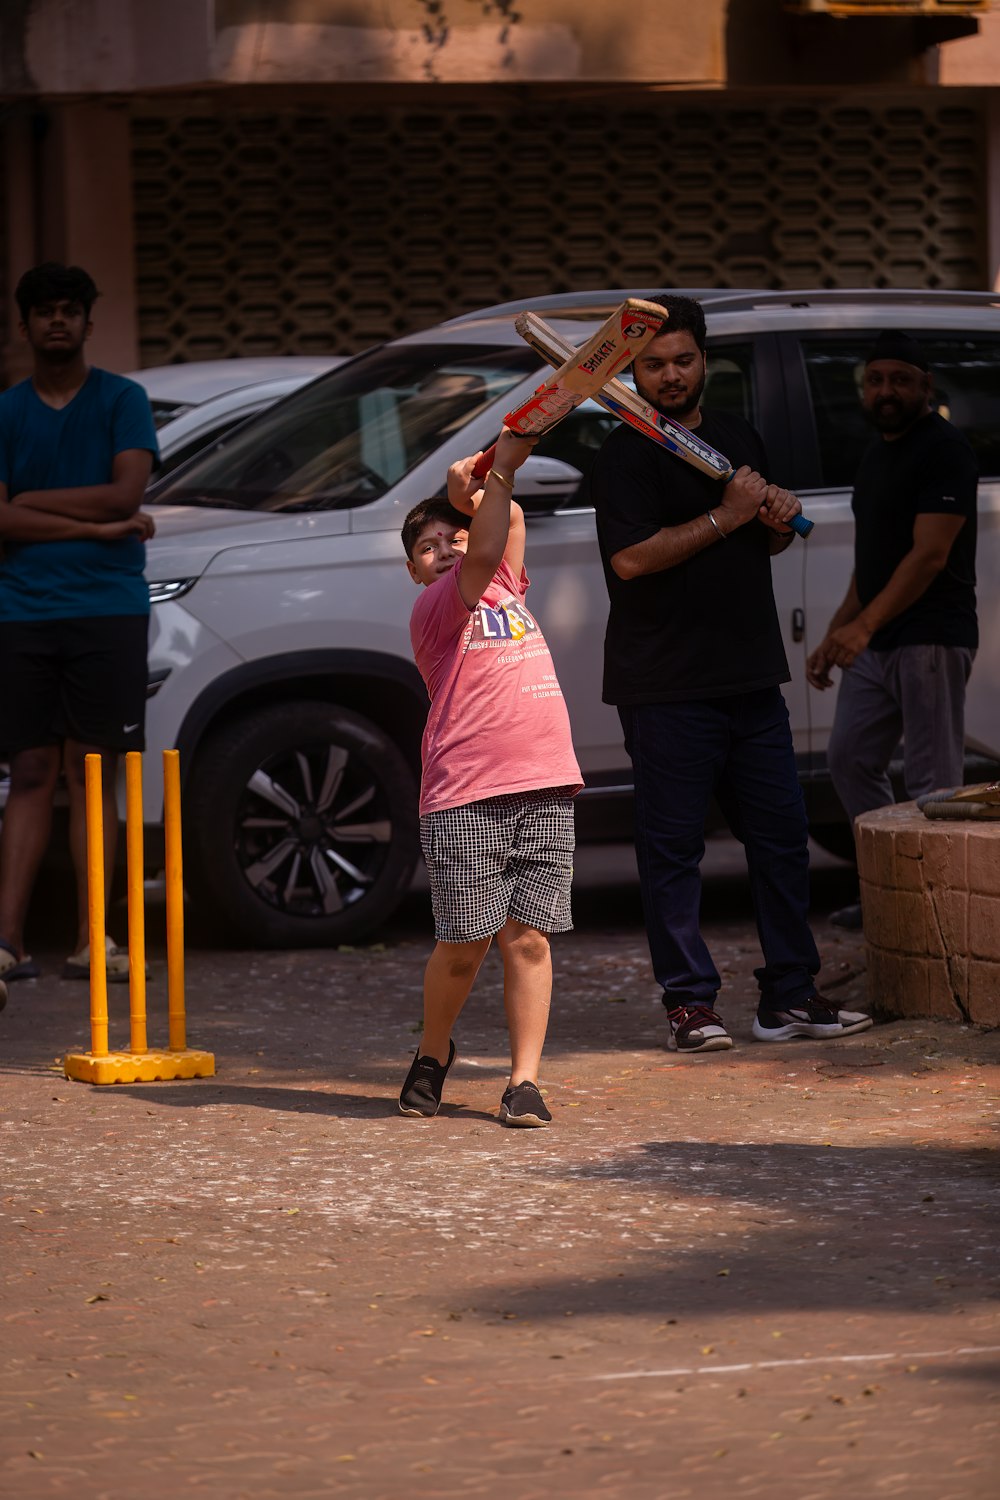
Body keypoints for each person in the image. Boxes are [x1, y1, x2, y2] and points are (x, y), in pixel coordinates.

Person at [590, 293, 872, 1052]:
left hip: (750, 676)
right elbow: (631, 558)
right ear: (632, 371)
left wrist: (770, 521)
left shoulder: (739, 437)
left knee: (782, 841)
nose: (671, 375)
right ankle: (689, 1004)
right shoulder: (624, 453)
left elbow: (761, 546)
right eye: (654, 364)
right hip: (666, 685)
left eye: (683, 359)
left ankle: (788, 996)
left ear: (703, 359)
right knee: (674, 849)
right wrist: (729, 514)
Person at [398, 429, 582, 1126]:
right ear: (416, 573)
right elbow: (483, 544)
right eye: (426, 545)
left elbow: (509, 526)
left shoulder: (504, 581)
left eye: (454, 534)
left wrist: (475, 483)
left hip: (543, 778)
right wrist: (490, 480)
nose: (445, 547)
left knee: (529, 936)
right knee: (464, 945)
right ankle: (433, 1052)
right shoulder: (438, 606)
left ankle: (524, 1082)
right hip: (465, 792)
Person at [0, 262, 158, 988]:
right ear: (24, 325)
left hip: (109, 610)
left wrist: (32, 508)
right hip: (21, 611)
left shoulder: (123, 399)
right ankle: (8, 943)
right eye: (44, 311)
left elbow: (129, 491)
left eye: (69, 310)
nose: (57, 321)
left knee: (93, 776)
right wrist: (100, 527)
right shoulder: (6, 412)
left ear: (88, 322)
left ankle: (96, 939)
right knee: (30, 771)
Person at [807, 331, 978, 929]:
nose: (886, 391)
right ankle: (897, 889)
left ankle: (943, 920)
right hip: (878, 638)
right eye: (875, 379)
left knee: (935, 786)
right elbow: (874, 558)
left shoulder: (944, 450)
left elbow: (929, 555)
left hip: (931, 636)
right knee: (850, 760)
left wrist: (864, 628)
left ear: (925, 387)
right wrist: (839, 631)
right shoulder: (876, 452)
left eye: (900, 380)